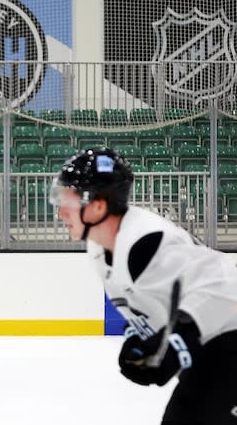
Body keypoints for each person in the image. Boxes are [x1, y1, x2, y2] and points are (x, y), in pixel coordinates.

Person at [51, 147, 237, 424]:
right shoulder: (99, 247)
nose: (60, 213)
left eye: (67, 202)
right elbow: (149, 303)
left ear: (98, 206)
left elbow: (227, 284)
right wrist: (138, 337)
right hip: (209, 352)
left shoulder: (145, 241)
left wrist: (180, 337)